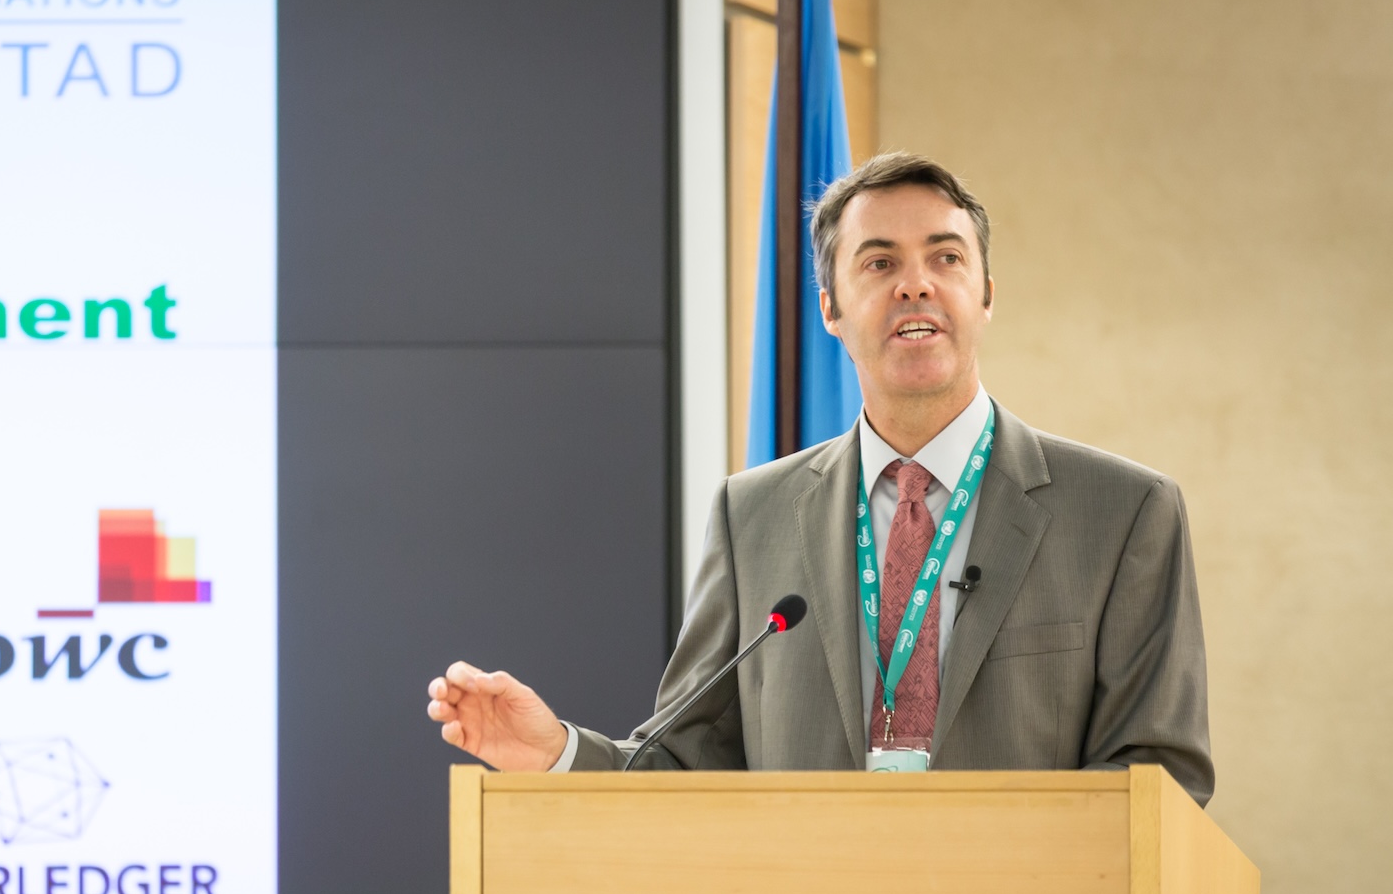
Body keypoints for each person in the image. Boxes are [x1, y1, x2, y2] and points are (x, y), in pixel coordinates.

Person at [425, 152, 1212, 803]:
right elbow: (687, 764)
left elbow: (1159, 776)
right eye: (880, 262)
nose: (915, 284)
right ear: (831, 307)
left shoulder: (1124, 514)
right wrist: (558, 752)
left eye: (946, 257)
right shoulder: (752, 516)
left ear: (985, 297)